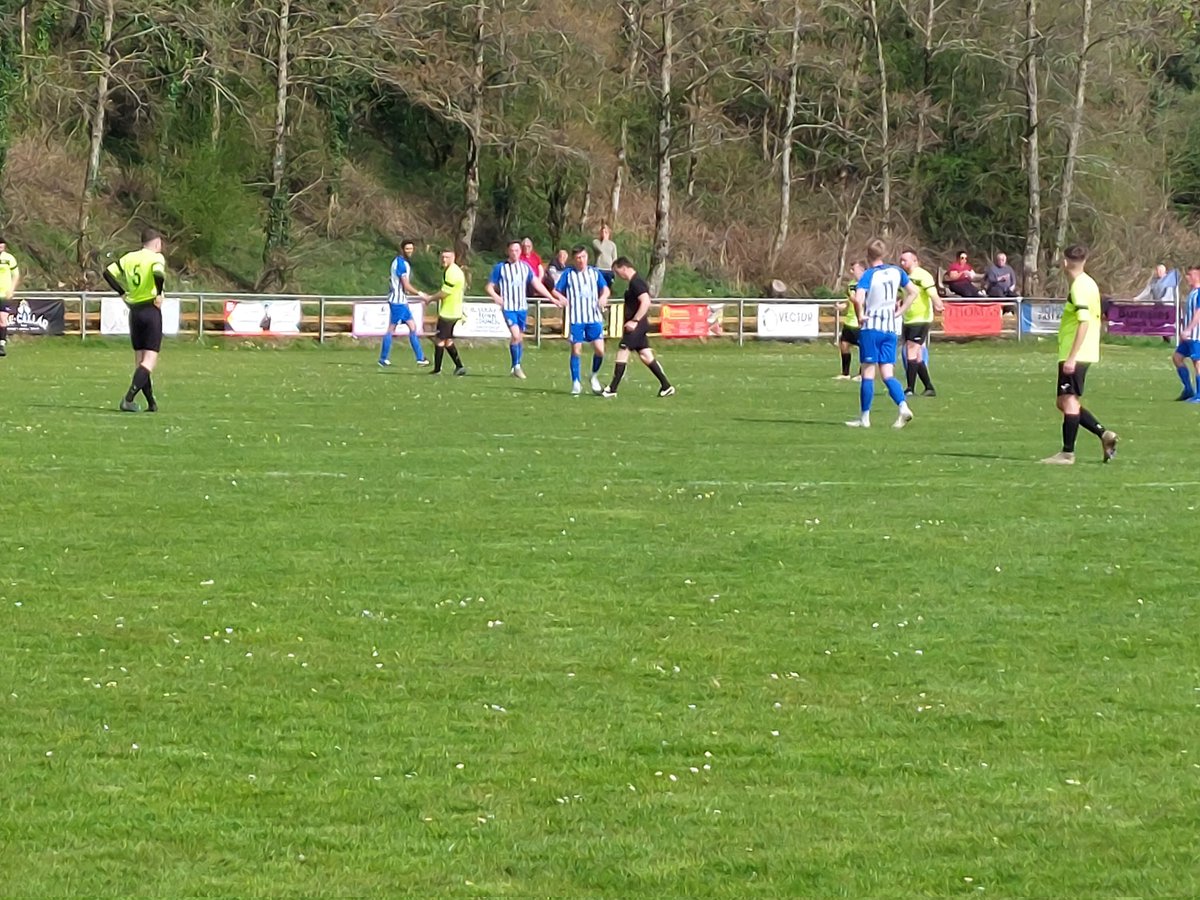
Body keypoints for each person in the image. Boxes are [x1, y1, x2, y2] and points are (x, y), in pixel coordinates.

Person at [1040, 245, 1119, 465]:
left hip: (1076, 353)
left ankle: (1067, 453)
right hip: (1084, 350)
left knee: (1070, 401)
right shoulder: (1090, 283)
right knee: (1063, 402)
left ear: (1065, 262)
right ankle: (1104, 434)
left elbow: (1084, 322)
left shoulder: (1079, 288)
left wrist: (1072, 357)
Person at [846, 239, 918, 429]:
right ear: (884, 254)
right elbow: (913, 292)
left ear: (867, 256)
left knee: (868, 372)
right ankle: (903, 407)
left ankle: (865, 417)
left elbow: (859, 298)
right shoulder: (897, 271)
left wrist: (861, 315)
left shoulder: (869, 275)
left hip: (872, 328)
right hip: (890, 329)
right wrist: (900, 311)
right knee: (887, 374)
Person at [104, 227, 167, 412]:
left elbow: (108, 273)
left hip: (135, 311)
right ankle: (128, 399)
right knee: (149, 361)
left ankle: (151, 402)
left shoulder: (129, 258)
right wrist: (159, 292)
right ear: (156, 243)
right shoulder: (156, 258)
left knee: (140, 362)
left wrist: (122, 292)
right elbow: (158, 273)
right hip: (150, 308)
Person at [601, 257, 674, 398]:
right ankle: (666, 386)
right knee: (646, 355)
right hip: (639, 326)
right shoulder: (634, 282)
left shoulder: (636, 282)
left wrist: (634, 320)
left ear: (623, 268)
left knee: (623, 350)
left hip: (636, 326)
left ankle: (612, 388)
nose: (619, 276)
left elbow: (646, 301)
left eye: (617, 272)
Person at [486, 240, 554, 379]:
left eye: (517, 250)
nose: (515, 253)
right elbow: (489, 286)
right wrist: (495, 296)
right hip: (508, 307)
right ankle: (517, 366)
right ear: (508, 252)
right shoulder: (500, 267)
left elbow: (536, 284)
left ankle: (515, 366)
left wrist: (551, 298)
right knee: (516, 335)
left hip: (522, 307)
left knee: (519, 337)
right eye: (512, 250)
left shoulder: (525, 267)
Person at [552, 245, 609, 395]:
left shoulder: (594, 273)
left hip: (594, 317)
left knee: (600, 350)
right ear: (573, 259)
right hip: (577, 318)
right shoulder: (568, 274)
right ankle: (576, 382)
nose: (581, 261)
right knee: (576, 350)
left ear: (587, 257)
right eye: (578, 258)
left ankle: (594, 376)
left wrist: (603, 297)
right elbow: (555, 290)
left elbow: (606, 289)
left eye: (583, 257)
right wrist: (561, 298)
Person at [898, 249, 944, 396]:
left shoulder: (923, 275)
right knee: (916, 355)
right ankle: (929, 387)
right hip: (909, 319)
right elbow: (903, 294)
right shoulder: (904, 277)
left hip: (921, 319)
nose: (902, 262)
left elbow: (932, 293)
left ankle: (910, 388)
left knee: (910, 351)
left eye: (905, 260)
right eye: (901, 260)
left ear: (915, 260)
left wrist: (938, 304)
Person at [379, 239, 429, 368]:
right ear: (402, 249)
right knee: (391, 329)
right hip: (398, 301)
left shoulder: (400, 262)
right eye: (407, 249)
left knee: (413, 327)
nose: (410, 251)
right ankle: (383, 358)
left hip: (401, 301)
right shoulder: (401, 264)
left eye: (411, 249)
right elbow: (406, 285)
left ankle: (420, 358)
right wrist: (420, 294)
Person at [424, 248, 467, 376]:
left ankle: (437, 370)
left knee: (439, 340)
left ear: (453, 257)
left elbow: (445, 292)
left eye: (447, 257)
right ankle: (459, 367)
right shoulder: (452, 271)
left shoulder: (452, 273)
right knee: (447, 340)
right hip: (452, 311)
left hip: (449, 312)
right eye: (442, 257)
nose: (444, 259)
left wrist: (430, 298)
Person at [1171, 265, 1200, 401]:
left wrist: (1189, 329)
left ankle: (1199, 395)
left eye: (1190, 275)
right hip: (1188, 336)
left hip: (1196, 335)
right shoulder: (1192, 293)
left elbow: (1198, 313)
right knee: (1177, 358)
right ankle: (1188, 389)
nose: (1187, 277)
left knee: (1197, 363)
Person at [834, 261, 864, 380]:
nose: (851, 272)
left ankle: (862, 374)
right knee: (844, 345)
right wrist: (842, 306)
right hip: (849, 321)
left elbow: (862, 301)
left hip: (860, 322)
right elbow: (849, 301)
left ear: (862, 270)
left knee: (864, 348)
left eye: (854, 269)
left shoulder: (867, 284)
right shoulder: (851, 284)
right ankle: (845, 373)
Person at [0, 236, 20, 358]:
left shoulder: (9, 258)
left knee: (2, 320)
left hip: (4, 295)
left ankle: (1, 344)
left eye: (2, 245)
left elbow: (16, 275)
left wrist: (12, 289)